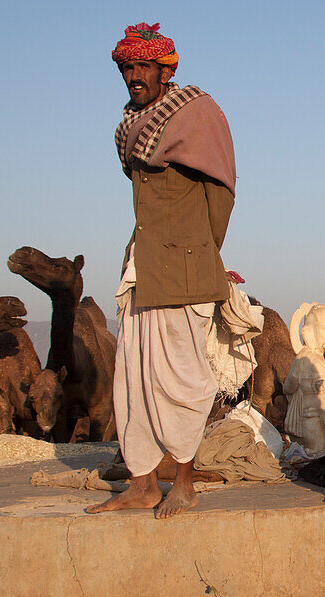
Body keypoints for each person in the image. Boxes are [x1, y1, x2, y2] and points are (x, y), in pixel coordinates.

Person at [88, 22, 236, 518]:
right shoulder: (131, 124)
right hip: (144, 266)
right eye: (128, 67)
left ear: (164, 69)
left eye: (144, 66)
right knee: (132, 379)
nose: (135, 75)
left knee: (181, 381)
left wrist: (199, 250)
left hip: (185, 265)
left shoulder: (196, 114)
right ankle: (143, 484)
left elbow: (221, 196)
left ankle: (185, 484)